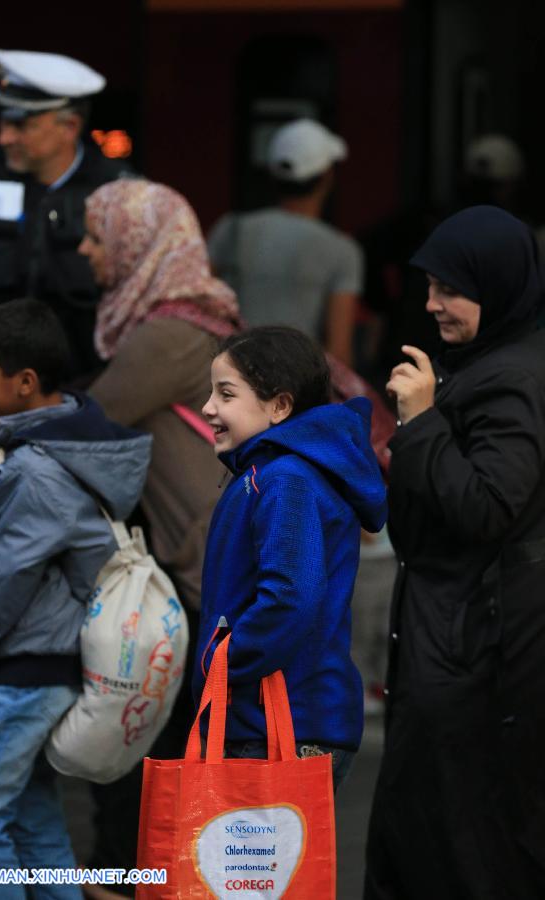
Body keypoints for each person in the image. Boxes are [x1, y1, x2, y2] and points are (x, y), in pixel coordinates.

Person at [364, 206, 545, 899]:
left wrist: (423, 421)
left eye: (450, 290)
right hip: (466, 638)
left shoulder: (513, 380)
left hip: (479, 651)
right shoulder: (493, 361)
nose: (432, 304)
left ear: (496, 288)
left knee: (462, 840)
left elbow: (487, 507)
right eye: (431, 286)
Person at [0, 298, 150, 897]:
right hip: (51, 660)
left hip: (28, 668)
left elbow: (6, 580)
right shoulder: (66, 448)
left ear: (25, 382)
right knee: (32, 826)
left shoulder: (37, 469)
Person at [79, 177, 240, 897]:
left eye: (96, 235)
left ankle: (127, 877)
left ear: (138, 242)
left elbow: (87, 425)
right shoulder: (198, 320)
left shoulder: (169, 334)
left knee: (146, 742)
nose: (85, 250)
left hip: (199, 573)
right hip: (211, 567)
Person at [194, 326, 387, 789]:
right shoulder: (274, 471)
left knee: (253, 864)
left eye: (226, 393)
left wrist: (222, 663)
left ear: (279, 406)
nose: (208, 408)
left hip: (279, 723)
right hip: (282, 718)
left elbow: (291, 596)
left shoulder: (284, 478)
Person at [0, 49, 130, 377]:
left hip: (82, 392)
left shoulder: (116, 190)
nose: (4, 138)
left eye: (20, 125)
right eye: (2, 123)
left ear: (69, 126)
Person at [207, 119, 364, 366]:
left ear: (272, 172)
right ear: (327, 176)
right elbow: (339, 352)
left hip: (230, 378)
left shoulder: (232, 228)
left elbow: (199, 307)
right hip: (296, 385)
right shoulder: (342, 250)